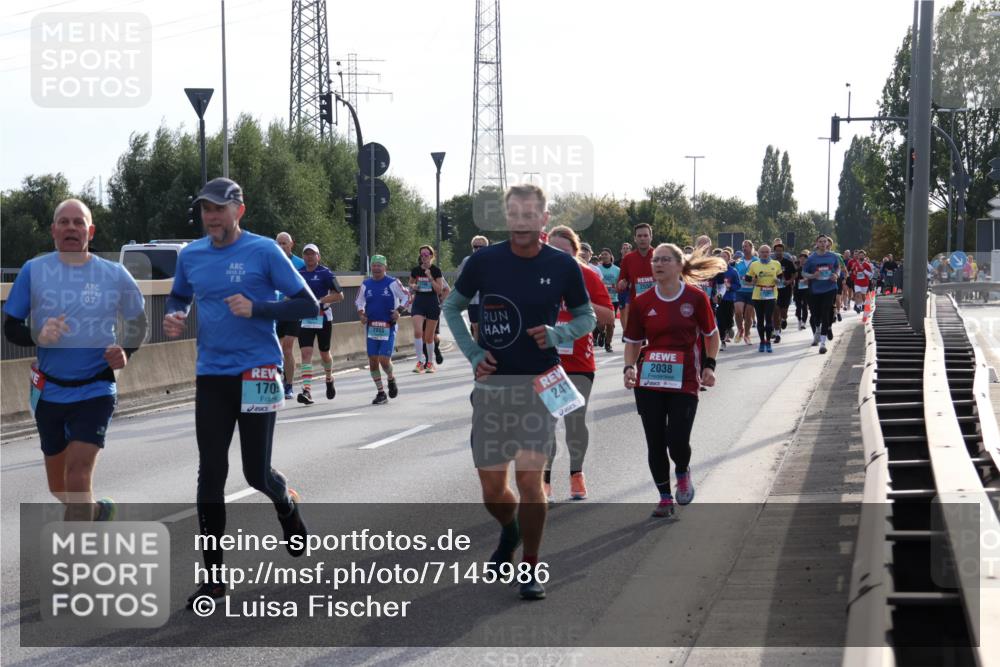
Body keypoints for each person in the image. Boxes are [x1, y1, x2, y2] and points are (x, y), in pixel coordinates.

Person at [163, 177, 316, 607]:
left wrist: (258, 308)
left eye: (218, 209)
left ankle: (285, 502)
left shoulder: (264, 250)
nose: (211, 216)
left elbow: (306, 304)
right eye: (205, 210)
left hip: (259, 371)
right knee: (210, 474)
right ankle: (214, 577)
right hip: (212, 373)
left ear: (238, 211)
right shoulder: (191, 255)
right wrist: (176, 314)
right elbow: (178, 296)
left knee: (255, 473)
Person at [441, 183, 595, 600]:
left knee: (530, 482)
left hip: (540, 383)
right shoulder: (484, 261)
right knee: (492, 490)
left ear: (544, 219)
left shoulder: (563, 266)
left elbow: (587, 318)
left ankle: (531, 565)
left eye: (531, 214)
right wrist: (472, 353)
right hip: (492, 385)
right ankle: (509, 531)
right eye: (515, 214)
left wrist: (558, 332)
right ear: (506, 217)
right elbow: (451, 307)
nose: (522, 221)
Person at [3, 198, 147, 522]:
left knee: (78, 475)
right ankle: (95, 512)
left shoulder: (114, 273)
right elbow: (10, 327)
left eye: (78, 222)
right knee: (60, 488)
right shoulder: (33, 271)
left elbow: (139, 323)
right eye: (64, 222)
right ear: (53, 230)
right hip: (49, 392)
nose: (71, 227)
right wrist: (37, 335)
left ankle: (76, 566)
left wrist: (125, 350)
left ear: (90, 231)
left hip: (96, 389)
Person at [623, 244, 724, 518]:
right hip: (650, 381)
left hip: (686, 380)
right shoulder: (643, 302)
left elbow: (711, 335)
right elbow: (632, 341)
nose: (657, 264)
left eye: (665, 260)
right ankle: (665, 497)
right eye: (655, 260)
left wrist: (710, 366)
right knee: (655, 440)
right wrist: (629, 367)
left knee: (677, 439)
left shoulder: (695, 297)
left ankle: (682, 470)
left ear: (679, 266)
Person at [545, 226, 615, 502]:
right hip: (546, 360)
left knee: (574, 422)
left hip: (578, 361)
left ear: (575, 253)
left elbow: (609, 316)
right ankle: (544, 482)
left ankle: (576, 474)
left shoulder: (588, 277)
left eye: (563, 251)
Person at [356, 255, 409, 405]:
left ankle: (391, 378)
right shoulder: (366, 284)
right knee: (373, 361)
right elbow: (359, 301)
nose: (377, 268)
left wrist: (399, 310)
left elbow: (407, 296)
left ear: (385, 267)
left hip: (388, 326)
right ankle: (380, 392)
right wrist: (361, 314)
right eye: (374, 265)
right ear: (371, 267)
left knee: (384, 360)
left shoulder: (393, 283)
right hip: (372, 327)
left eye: (380, 265)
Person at [296, 243, 344, 405]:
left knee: (324, 353)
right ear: (303, 256)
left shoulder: (326, 273)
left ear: (318, 256)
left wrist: (320, 301)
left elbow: (340, 295)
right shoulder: (299, 273)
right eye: (306, 254)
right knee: (306, 354)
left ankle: (329, 377)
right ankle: (306, 390)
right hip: (305, 319)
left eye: (312, 254)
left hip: (323, 318)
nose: (309, 257)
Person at [275, 232, 306, 399]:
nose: (281, 246)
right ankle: (278, 381)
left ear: (291, 244)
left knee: (287, 347)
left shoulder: (300, 264)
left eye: (284, 243)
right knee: (276, 349)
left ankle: (289, 386)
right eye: (278, 243)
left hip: (293, 311)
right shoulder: (271, 262)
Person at [801, 234, 841, 354]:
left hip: (830, 288)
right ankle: (817, 329)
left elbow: (838, 268)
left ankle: (823, 343)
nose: (823, 243)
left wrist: (836, 275)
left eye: (825, 242)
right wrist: (813, 276)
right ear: (816, 243)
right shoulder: (811, 258)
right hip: (816, 290)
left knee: (825, 312)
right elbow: (804, 273)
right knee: (815, 315)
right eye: (821, 242)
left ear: (827, 243)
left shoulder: (833, 256)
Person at [409, 245, 445, 373]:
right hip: (419, 302)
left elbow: (439, 289)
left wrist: (430, 277)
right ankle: (419, 362)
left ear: (431, 256)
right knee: (418, 332)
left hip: (432, 303)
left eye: (426, 254)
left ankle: (430, 362)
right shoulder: (416, 270)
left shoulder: (436, 271)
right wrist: (414, 286)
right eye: (422, 255)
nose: (424, 257)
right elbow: (410, 284)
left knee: (429, 337)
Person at [617, 224, 654, 342]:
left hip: (657, 303)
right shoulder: (628, 259)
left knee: (656, 339)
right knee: (636, 343)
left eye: (645, 235)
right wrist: (622, 284)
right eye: (639, 236)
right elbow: (622, 281)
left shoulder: (659, 255)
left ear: (651, 237)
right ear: (635, 238)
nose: (642, 238)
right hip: (637, 305)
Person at [746, 244, 782, 353]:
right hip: (758, 295)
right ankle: (762, 341)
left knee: (768, 318)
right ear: (759, 253)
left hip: (771, 294)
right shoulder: (754, 264)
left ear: (770, 253)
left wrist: (778, 281)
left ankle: (768, 341)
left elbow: (780, 277)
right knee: (760, 319)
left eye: (767, 252)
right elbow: (747, 278)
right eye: (762, 252)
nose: (765, 254)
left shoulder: (776, 264)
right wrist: (753, 281)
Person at [457, 236, 489, 341]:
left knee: (485, 326)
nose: (478, 249)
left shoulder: (492, 261)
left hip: (487, 299)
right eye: (476, 247)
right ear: (472, 248)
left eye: (481, 247)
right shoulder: (467, 261)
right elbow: (460, 279)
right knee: (476, 326)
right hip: (473, 300)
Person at [712, 248, 739, 351]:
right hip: (718, 299)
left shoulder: (733, 271)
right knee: (720, 320)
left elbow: (738, 285)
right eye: (721, 256)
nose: (722, 258)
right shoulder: (715, 271)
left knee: (728, 318)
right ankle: (722, 340)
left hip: (729, 298)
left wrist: (730, 286)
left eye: (725, 256)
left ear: (729, 259)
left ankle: (730, 327)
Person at [770, 240, 796, 343]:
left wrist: (789, 281)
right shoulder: (771, 263)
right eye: (777, 251)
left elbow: (795, 274)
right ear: (774, 251)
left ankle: (784, 319)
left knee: (783, 311)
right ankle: (776, 331)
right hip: (775, 290)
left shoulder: (788, 262)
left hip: (786, 289)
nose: (779, 252)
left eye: (781, 251)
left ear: (783, 252)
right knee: (775, 310)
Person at [597, 248, 620, 352]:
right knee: (601, 324)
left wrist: (617, 287)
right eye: (602, 255)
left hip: (613, 299)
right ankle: (602, 333)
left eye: (606, 254)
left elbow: (620, 284)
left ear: (611, 256)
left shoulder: (617, 270)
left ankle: (608, 343)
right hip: (600, 300)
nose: (604, 256)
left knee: (610, 323)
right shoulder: (597, 269)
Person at [734, 240, 757, 344]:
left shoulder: (756, 261)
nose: (744, 248)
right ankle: (740, 329)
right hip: (739, 291)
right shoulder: (738, 261)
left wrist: (754, 280)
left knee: (748, 315)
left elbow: (760, 275)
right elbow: (734, 274)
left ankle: (747, 334)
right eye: (743, 246)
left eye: (746, 246)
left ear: (751, 247)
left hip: (752, 291)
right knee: (738, 311)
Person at [793, 250, 811, 330]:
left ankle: (804, 322)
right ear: (799, 259)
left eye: (804, 258)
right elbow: (792, 277)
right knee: (798, 306)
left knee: (804, 305)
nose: (803, 260)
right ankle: (799, 320)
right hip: (797, 289)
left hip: (806, 289)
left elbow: (813, 277)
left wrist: (808, 279)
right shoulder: (796, 268)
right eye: (801, 258)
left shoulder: (809, 268)